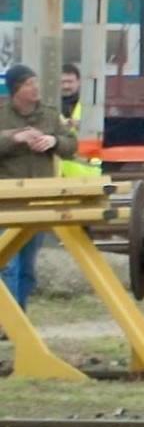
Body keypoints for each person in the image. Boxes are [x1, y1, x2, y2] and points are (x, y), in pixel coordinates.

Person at [0, 64, 57, 305]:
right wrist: (15, 137)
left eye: (36, 82)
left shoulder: (50, 115)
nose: (35, 88)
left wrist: (53, 140)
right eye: (29, 84)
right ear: (16, 89)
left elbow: (71, 144)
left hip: (39, 200)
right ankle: (6, 323)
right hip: (8, 201)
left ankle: (19, 315)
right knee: (7, 264)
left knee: (28, 267)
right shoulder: (2, 115)